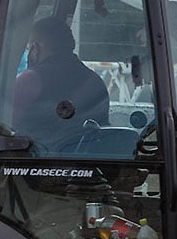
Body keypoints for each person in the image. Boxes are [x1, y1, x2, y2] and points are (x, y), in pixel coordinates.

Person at [12, 16, 111, 149]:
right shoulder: (95, 81)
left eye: (29, 48)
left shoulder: (30, 80)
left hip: (36, 162)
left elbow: (3, 125)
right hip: (87, 162)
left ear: (36, 47)